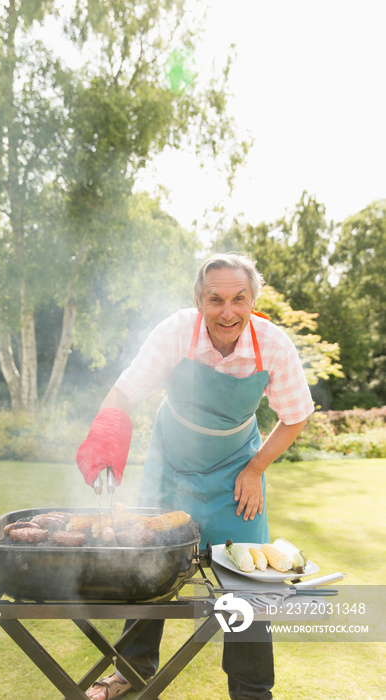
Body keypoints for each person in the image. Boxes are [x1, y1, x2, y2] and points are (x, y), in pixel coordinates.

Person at [76, 252, 314, 700]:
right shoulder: (174, 332)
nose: (228, 311)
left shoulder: (274, 344)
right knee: (148, 573)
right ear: (198, 300)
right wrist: (105, 437)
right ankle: (130, 673)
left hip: (236, 470)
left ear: (253, 300)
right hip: (172, 462)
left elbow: (296, 416)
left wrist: (256, 467)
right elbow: (124, 391)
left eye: (239, 298)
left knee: (248, 584)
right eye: (215, 299)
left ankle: (251, 690)